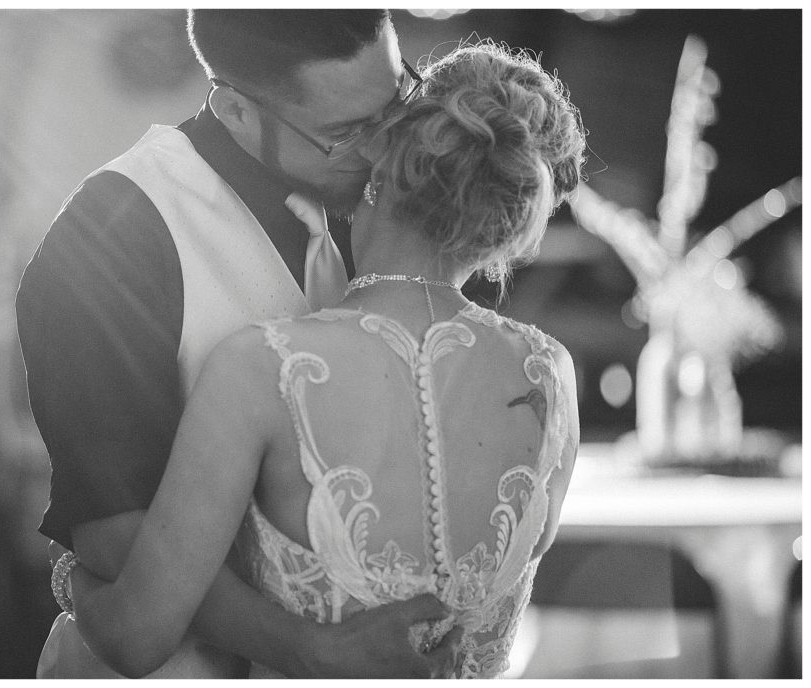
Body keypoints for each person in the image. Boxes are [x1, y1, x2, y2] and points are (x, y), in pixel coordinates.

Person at [65, 39, 586, 679]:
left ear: (383, 173)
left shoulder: (265, 369)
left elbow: (136, 636)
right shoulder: (549, 377)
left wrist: (76, 580)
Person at [16, 10, 462, 679]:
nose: (382, 152)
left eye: (396, 100)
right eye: (346, 135)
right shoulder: (108, 240)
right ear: (236, 110)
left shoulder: (383, 203)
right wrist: (317, 651)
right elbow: (115, 538)